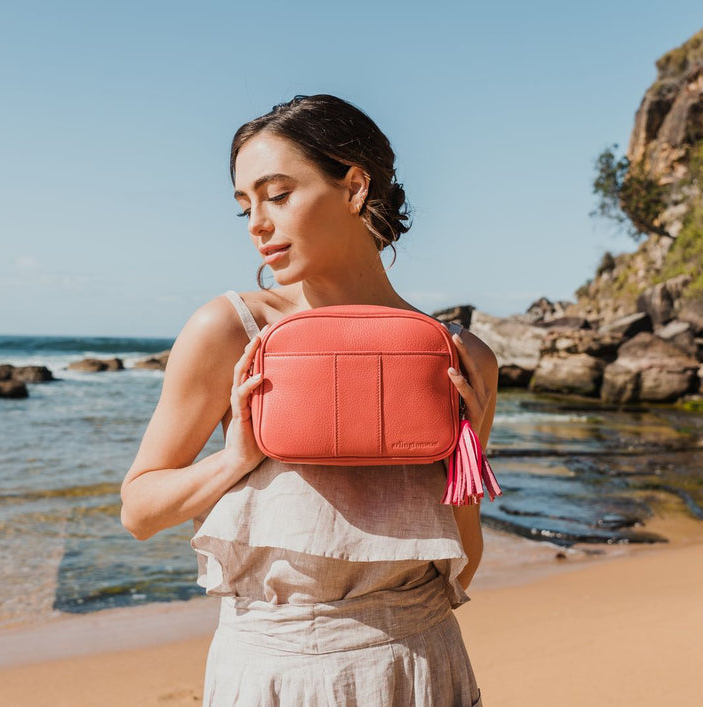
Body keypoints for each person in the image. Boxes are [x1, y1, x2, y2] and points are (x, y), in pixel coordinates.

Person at [121, 94, 498, 706]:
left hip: (421, 664)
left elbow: (462, 565)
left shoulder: (461, 359)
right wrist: (234, 460)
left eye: (278, 194)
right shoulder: (231, 330)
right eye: (245, 206)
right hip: (274, 673)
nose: (257, 224)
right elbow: (139, 511)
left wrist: (468, 462)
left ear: (353, 187)